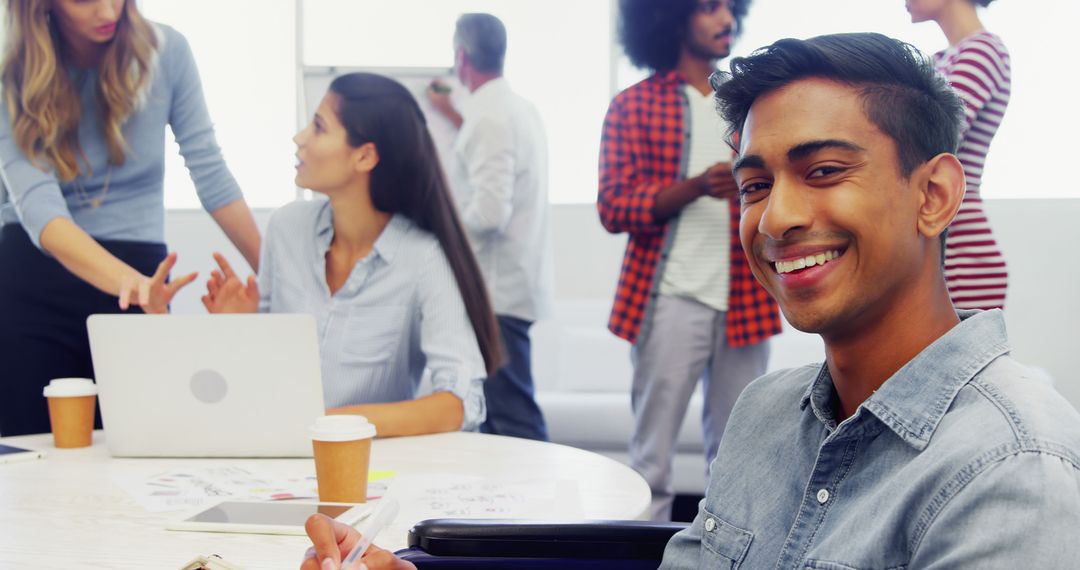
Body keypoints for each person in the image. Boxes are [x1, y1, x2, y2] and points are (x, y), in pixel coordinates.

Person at [303, 32, 1080, 570]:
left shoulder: (1010, 471)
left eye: (823, 172)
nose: (775, 217)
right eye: (753, 186)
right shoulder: (769, 414)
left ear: (935, 194)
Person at [0, 0, 261, 437]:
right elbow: (41, 212)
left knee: (140, 447)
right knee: (31, 456)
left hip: (139, 279)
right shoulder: (12, 74)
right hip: (37, 275)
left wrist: (278, 272)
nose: (108, 10)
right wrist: (136, 287)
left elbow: (209, 171)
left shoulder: (167, 50)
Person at [203, 72, 502, 438]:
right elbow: (265, 379)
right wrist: (237, 328)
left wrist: (331, 425)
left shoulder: (423, 260)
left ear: (364, 156)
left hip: (370, 471)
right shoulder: (286, 229)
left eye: (318, 127)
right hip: (280, 462)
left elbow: (459, 403)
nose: (299, 139)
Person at [598, 0, 781, 520]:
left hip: (748, 297)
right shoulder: (632, 106)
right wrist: (695, 187)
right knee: (650, 458)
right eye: (708, 7)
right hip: (670, 298)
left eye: (730, 8)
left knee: (739, 455)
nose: (725, 19)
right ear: (671, 18)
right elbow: (613, 206)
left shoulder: (751, 105)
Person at [425, 13, 553, 442]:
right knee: (501, 420)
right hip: (511, 286)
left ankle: (545, 512)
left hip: (496, 293)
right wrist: (453, 113)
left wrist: (434, 225)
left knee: (512, 420)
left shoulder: (489, 116)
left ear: (461, 57)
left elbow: (489, 213)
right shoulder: (515, 109)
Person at [906, 0, 1011, 309]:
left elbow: (934, 138)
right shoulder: (939, 60)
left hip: (961, 257)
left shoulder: (983, 50)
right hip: (936, 248)